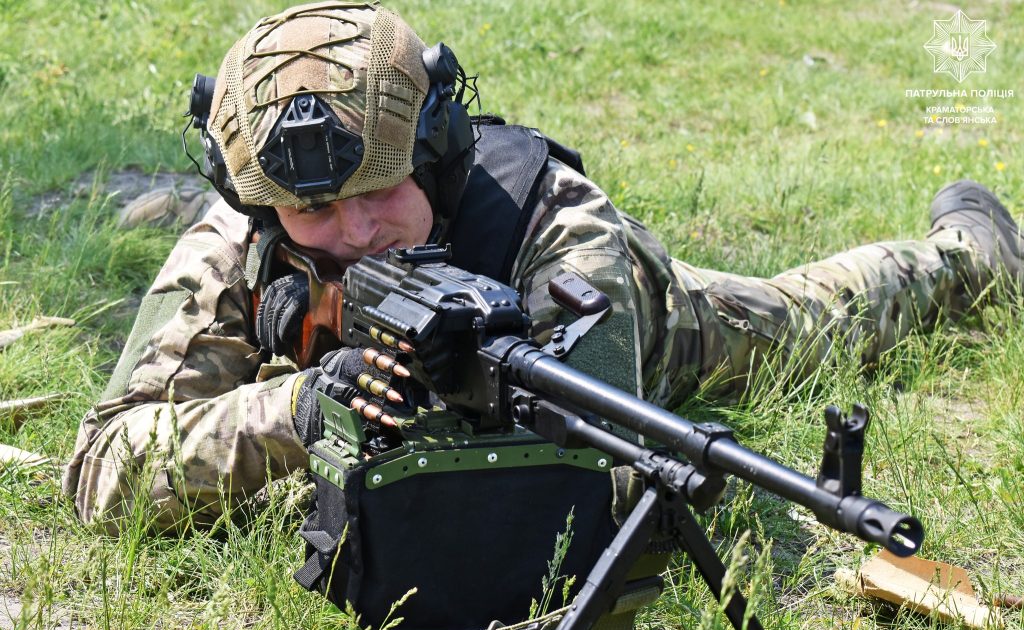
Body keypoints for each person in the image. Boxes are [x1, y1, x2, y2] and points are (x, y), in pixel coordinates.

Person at [63, 1, 1023, 538]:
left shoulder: (554, 220)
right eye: (313, 209)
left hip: (656, 318)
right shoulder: (241, 230)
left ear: (434, 155)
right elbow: (101, 469)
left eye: (382, 192)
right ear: (259, 199)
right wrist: (298, 413)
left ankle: (967, 254)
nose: (353, 232)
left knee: (812, 314)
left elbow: (596, 480)